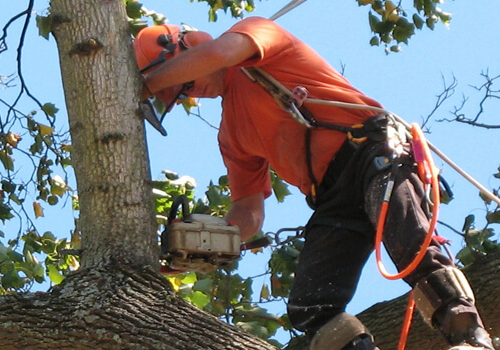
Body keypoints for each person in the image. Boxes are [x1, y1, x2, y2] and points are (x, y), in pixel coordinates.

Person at [133, 17, 497, 350]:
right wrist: (209, 243)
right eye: (181, 95)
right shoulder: (232, 134)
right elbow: (249, 212)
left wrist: (147, 85)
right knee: (309, 305)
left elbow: (221, 52)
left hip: (370, 153)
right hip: (332, 198)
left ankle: (468, 334)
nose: (189, 94)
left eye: (183, 84)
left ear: (186, 45)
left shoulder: (256, 37)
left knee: (408, 239)